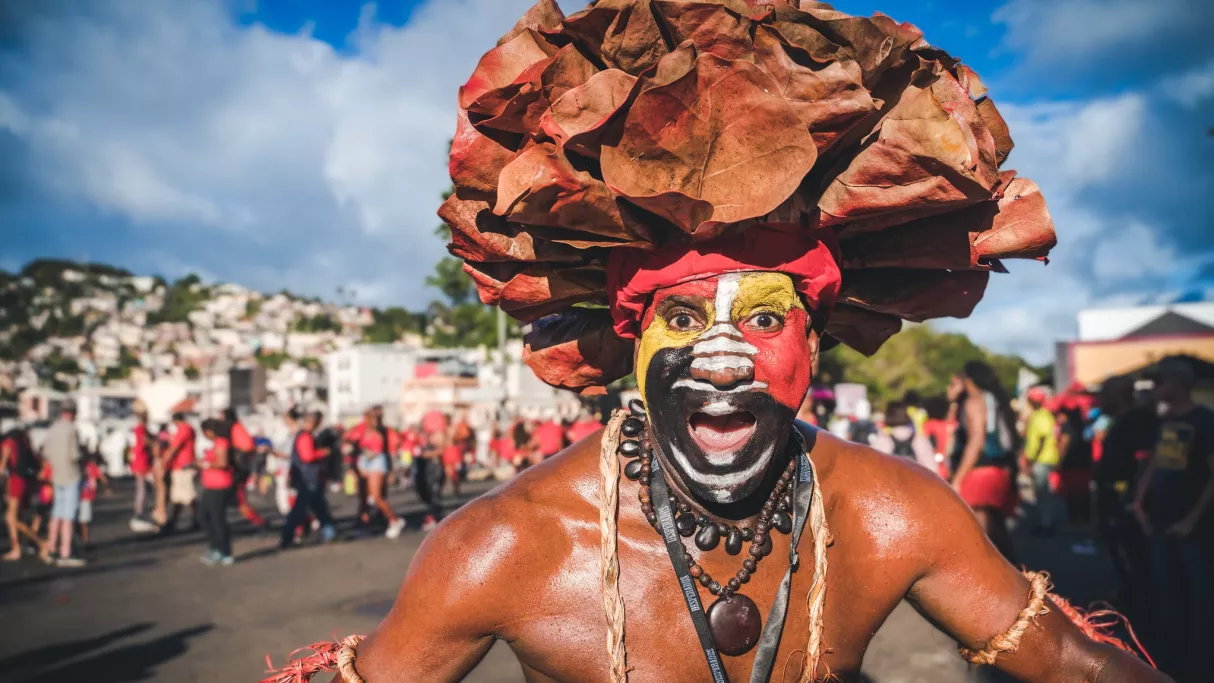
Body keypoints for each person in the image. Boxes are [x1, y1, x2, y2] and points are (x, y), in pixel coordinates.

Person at [270, 5, 1162, 680]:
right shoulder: (509, 543)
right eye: (685, 319)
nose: (723, 356)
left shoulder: (891, 513)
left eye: (765, 319)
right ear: (633, 339)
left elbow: (1071, 661)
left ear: (814, 342)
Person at [1131, 358, 1213, 681]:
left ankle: (1200, 665)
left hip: (1193, 527)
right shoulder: (1165, 421)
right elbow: (1156, 462)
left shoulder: (1204, 421)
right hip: (1161, 522)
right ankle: (1169, 664)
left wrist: (1192, 520)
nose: (1155, 388)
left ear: (1178, 384)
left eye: (1160, 381)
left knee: (1200, 598)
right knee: (1167, 595)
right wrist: (1139, 501)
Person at [1094, 376, 1157, 629]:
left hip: (1128, 504)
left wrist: (1135, 500)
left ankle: (1143, 617)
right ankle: (1130, 603)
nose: (1100, 400)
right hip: (1114, 501)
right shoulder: (1120, 421)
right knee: (1123, 558)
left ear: (1118, 394)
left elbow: (1145, 461)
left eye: (1104, 393)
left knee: (1137, 560)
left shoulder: (1138, 421)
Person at [949, 363, 1020, 562]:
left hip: (981, 471)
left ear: (967, 379)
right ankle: (1017, 573)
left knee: (980, 534)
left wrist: (958, 478)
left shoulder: (974, 401)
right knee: (997, 531)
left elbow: (976, 440)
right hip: (1000, 470)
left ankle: (997, 576)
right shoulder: (994, 399)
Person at [344, 406, 405, 539]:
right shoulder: (362, 430)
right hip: (367, 462)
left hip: (375, 462)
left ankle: (394, 520)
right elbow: (350, 441)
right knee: (367, 496)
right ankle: (366, 522)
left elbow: (376, 451)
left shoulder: (379, 433)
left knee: (377, 497)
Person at [280, 411, 337, 549]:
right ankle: (287, 537)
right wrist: (323, 452)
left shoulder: (302, 435)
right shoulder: (305, 436)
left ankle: (329, 532)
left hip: (306, 477)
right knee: (300, 509)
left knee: (319, 507)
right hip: (308, 478)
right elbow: (307, 456)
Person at [40, 403, 85, 567]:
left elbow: (45, 452)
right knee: (68, 516)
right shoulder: (72, 429)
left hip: (56, 476)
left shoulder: (52, 429)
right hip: (71, 475)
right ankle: (65, 552)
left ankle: (52, 548)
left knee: (56, 513)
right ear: (73, 413)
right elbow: (75, 455)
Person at [1023, 387, 1062, 536]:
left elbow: (1042, 438)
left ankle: (1045, 524)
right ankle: (1044, 522)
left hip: (1042, 459)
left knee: (1043, 493)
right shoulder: (1043, 415)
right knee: (1041, 493)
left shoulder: (1041, 416)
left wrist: (1032, 459)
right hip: (1044, 458)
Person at [1, 427, 43, 560]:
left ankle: (40, 543)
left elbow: (2, 467)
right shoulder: (22, 444)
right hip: (24, 481)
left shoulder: (7, 444)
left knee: (11, 518)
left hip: (14, 481)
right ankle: (17, 547)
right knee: (14, 517)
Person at [197, 419, 236, 565]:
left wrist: (204, 464)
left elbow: (222, 463)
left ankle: (224, 551)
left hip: (219, 486)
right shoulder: (216, 444)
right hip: (211, 486)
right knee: (204, 516)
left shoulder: (221, 443)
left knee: (217, 519)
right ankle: (215, 547)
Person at [223, 408, 267, 529]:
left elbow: (248, 445)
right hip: (240, 468)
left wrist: (236, 451)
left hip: (239, 469)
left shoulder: (236, 428)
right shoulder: (237, 427)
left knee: (240, 498)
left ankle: (257, 521)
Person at [161, 412, 199, 534]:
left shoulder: (183, 430)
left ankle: (196, 520)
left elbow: (174, 448)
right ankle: (175, 521)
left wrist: (164, 462)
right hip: (184, 465)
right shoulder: (189, 429)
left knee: (187, 496)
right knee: (180, 496)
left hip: (182, 466)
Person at [872, 402, 936, 471]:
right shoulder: (920, 440)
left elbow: (873, 467)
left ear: (888, 416)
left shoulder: (882, 440)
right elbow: (932, 468)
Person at [128, 404, 157, 532]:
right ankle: (139, 512)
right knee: (142, 488)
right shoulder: (140, 428)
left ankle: (141, 511)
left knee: (144, 487)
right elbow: (144, 441)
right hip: (141, 460)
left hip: (140, 460)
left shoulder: (140, 428)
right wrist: (154, 443)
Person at [414, 430, 446, 533]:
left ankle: (435, 518)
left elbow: (441, 451)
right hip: (423, 476)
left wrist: (429, 454)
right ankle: (435, 516)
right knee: (425, 496)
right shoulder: (417, 448)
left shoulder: (432, 447)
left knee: (434, 497)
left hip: (434, 475)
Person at [77, 452, 107, 549]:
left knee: (81, 520)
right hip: (85, 496)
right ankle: (85, 541)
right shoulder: (91, 467)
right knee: (84, 520)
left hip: (79, 496)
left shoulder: (80, 467)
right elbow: (102, 478)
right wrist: (106, 487)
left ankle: (83, 539)